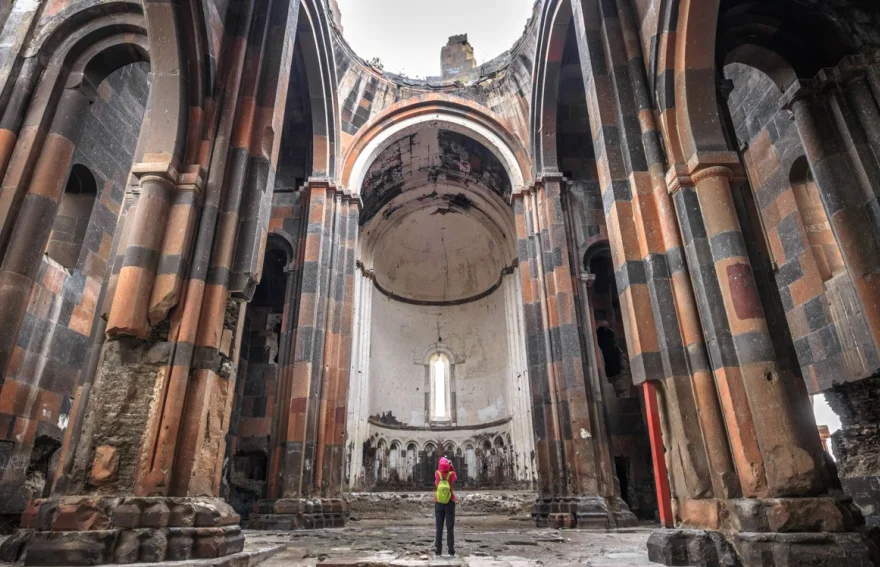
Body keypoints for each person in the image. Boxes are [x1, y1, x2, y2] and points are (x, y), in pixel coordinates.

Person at [434, 456, 456, 556]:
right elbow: (455, 477)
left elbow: (436, 484)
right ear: (447, 464)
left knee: (439, 527)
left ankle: (438, 550)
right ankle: (451, 550)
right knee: (450, 528)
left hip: (438, 502)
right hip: (450, 502)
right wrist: (451, 466)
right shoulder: (451, 474)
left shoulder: (437, 473)